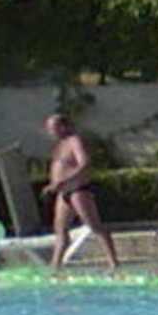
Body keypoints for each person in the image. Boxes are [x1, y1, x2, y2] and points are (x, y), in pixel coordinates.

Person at [44, 114, 120, 271]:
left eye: (53, 127)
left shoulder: (75, 141)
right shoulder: (60, 145)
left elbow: (84, 164)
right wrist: (54, 184)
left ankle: (113, 263)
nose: (50, 131)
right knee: (60, 230)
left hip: (77, 191)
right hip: (63, 193)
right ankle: (55, 266)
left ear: (63, 127)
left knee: (94, 226)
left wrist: (64, 181)